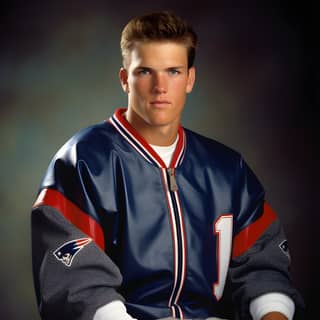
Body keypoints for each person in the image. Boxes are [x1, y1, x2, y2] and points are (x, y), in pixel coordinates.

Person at [31, 11, 304, 320]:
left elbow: (262, 264)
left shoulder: (227, 169)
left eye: (173, 71)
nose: (160, 86)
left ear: (190, 78)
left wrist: (273, 312)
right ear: (125, 79)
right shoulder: (83, 161)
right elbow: (77, 281)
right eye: (145, 71)